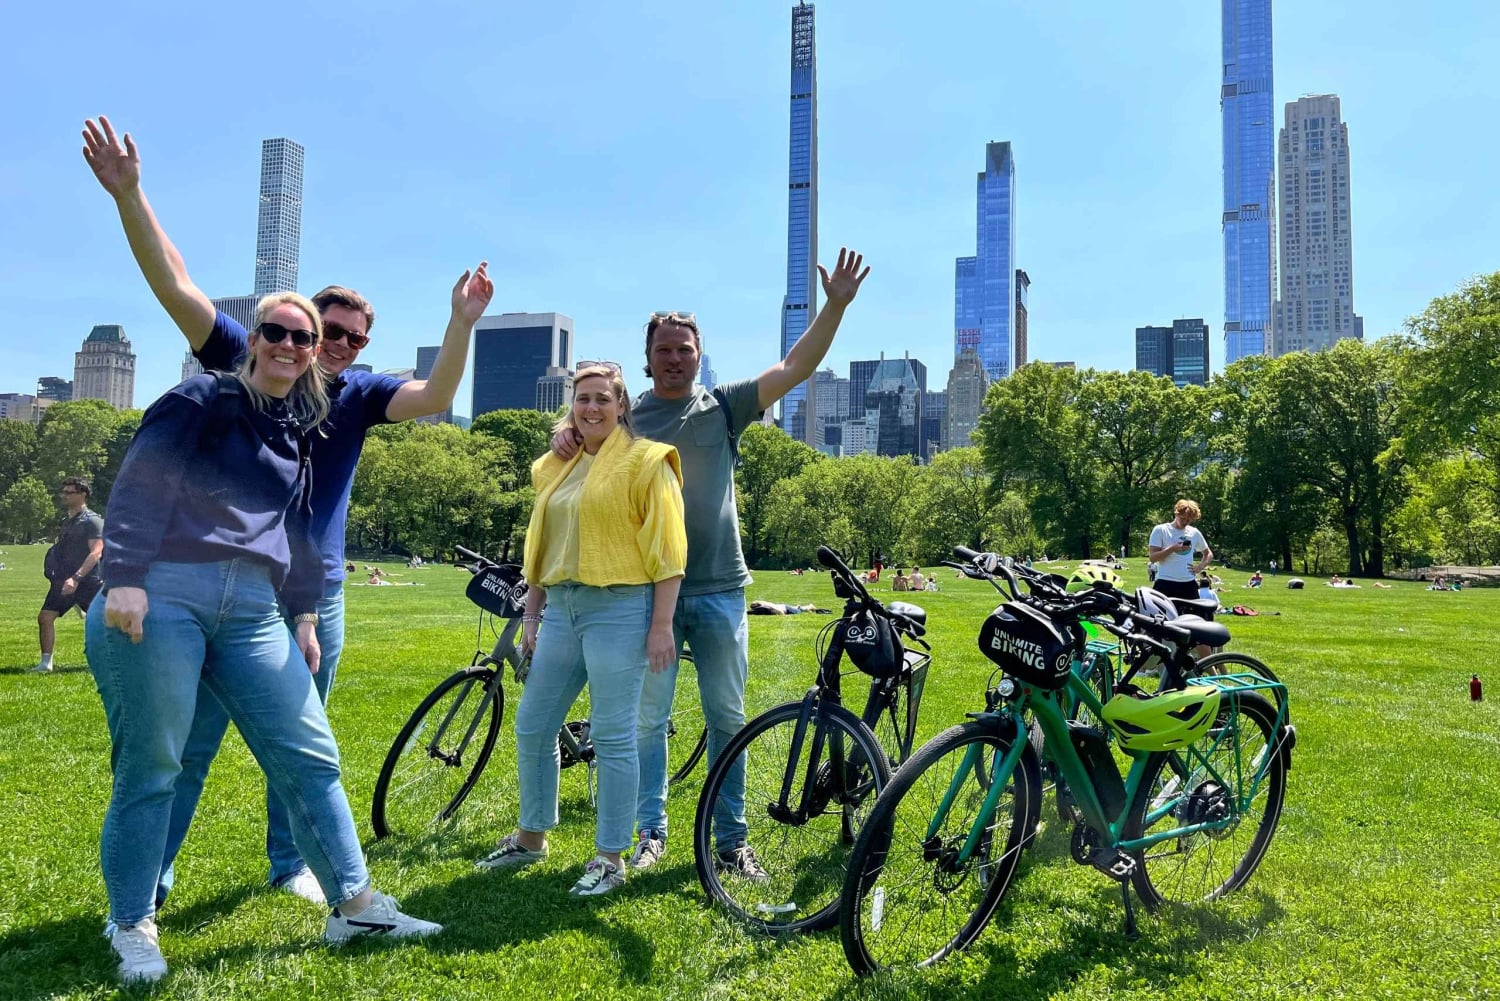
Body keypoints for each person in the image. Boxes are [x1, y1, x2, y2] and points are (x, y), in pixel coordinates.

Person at [83, 116, 493, 907]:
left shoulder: (363, 392)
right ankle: (152, 878)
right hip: (205, 581)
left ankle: (292, 864)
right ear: (291, 331)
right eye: (321, 330)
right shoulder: (256, 358)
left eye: (349, 336)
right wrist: (132, 198)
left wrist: (461, 322)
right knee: (188, 741)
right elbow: (177, 286)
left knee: (299, 741)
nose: (330, 344)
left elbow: (439, 396)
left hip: (313, 592)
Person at [85, 294, 440, 983]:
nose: (289, 343)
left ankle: (356, 904)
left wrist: (304, 616)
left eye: (302, 337)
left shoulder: (296, 431)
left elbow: (297, 531)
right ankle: (131, 921)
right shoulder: (200, 398)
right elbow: (139, 484)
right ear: (253, 339)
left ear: (314, 353)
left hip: (252, 606)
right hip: (165, 591)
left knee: (310, 752)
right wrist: (123, 576)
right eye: (275, 331)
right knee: (156, 764)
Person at [550, 250, 869, 875]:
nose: (674, 357)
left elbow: (797, 365)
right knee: (650, 721)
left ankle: (731, 841)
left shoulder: (725, 406)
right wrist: (566, 435)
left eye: (684, 349)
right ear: (648, 359)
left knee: (728, 717)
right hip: (647, 593)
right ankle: (650, 832)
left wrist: (834, 306)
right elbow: (577, 442)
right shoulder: (626, 417)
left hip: (722, 588)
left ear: (699, 355)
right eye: (664, 349)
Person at [476, 366, 685, 896]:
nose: (590, 408)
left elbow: (668, 553)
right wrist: (531, 614)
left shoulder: (647, 461)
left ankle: (610, 856)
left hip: (620, 606)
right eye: (581, 400)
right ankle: (531, 837)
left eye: (601, 399)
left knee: (614, 736)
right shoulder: (559, 466)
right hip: (562, 606)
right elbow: (542, 544)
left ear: (620, 406)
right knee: (533, 723)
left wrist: (662, 625)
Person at [32, 477, 105, 672]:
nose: (63, 495)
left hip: (88, 582)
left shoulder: (93, 521)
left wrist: (77, 578)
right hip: (64, 581)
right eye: (63, 492)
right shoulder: (68, 521)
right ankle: (46, 664)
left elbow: (96, 552)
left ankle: (122, 659)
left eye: (69, 492)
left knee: (105, 623)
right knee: (45, 617)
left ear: (83, 495)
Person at [1148, 499, 1215, 656]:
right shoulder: (1161, 530)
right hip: (1165, 584)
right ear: (1176, 513)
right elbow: (1153, 557)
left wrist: (1200, 567)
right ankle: (1153, 665)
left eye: (1189, 520)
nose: (1185, 522)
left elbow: (1208, 553)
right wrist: (1173, 548)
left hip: (1188, 585)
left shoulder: (1194, 533)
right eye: (1183, 518)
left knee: (1197, 625)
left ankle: (1204, 662)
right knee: (1158, 625)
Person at [748, 600, 830, 615]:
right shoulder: (763, 603)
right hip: (784, 606)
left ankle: (810, 606)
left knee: (798, 611)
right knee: (798, 609)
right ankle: (809, 607)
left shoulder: (767, 607)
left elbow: (781, 613)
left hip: (785, 609)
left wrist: (782, 616)